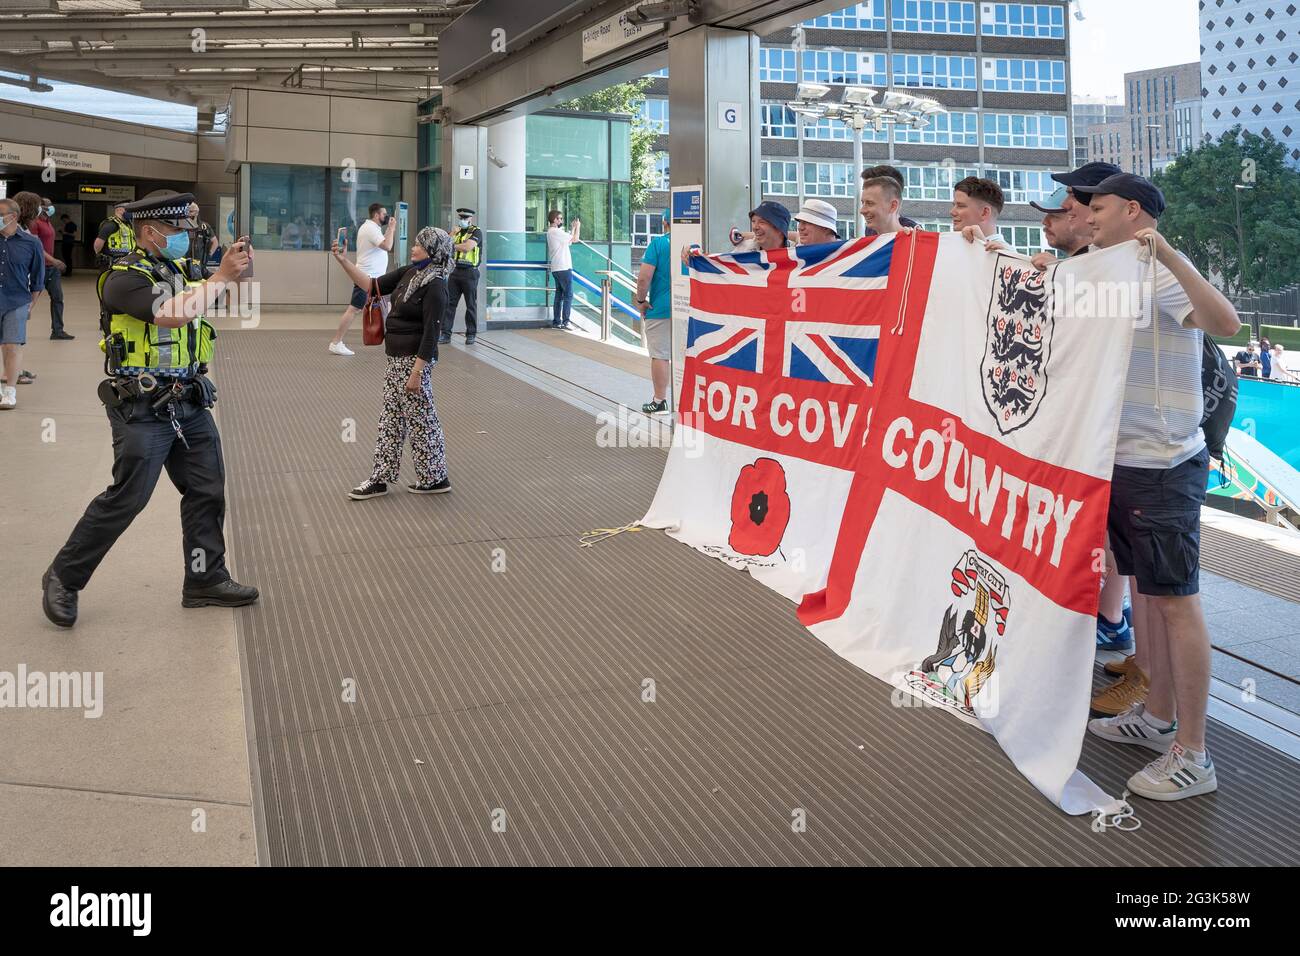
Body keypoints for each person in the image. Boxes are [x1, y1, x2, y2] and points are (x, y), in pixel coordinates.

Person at [1081, 173, 1242, 802]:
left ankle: (1195, 754)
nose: (1085, 216)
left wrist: (1168, 251)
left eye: (1095, 208)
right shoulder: (1102, 270)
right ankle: (1157, 721)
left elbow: (1225, 322)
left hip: (1164, 463)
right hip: (1118, 458)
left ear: (1132, 211)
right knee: (1154, 592)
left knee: (1176, 602)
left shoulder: (1162, 271)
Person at [42, 193, 259, 627]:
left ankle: (204, 578)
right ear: (150, 231)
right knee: (128, 497)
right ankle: (64, 577)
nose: (184, 238)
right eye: (178, 230)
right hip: (141, 406)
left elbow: (210, 303)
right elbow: (168, 316)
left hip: (189, 399)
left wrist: (226, 272)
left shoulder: (178, 269)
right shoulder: (123, 278)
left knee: (206, 490)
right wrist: (220, 278)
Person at [330, 226, 454, 500]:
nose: (413, 247)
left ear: (433, 251)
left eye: (420, 244)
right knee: (398, 419)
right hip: (396, 359)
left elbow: (432, 334)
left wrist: (416, 373)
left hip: (413, 362)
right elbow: (371, 285)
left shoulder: (436, 286)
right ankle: (425, 477)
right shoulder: (409, 274)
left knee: (415, 419)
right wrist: (343, 260)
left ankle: (411, 477)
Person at [329, 202, 396, 356]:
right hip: (367, 277)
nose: (386, 216)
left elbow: (383, 243)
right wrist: (391, 228)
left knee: (388, 305)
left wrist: (388, 230)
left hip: (375, 278)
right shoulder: (371, 229)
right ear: (377, 215)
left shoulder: (373, 229)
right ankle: (336, 342)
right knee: (354, 308)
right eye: (384, 214)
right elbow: (387, 246)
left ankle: (391, 338)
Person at [0, 197, 45, 410]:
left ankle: (9, 391)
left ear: (13, 216)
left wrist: (30, 305)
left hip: (17, 300)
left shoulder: (32, 243)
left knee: (12, 345)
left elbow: (38, 279)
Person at [635, 209, 674, 415]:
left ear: (665, 223)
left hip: (661, 309)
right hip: (692, 307)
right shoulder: (696, 243)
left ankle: (659, 401)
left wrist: (641, 300)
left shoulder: (658, 244)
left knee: (660, 355)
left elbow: (643, 278)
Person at [31, 196, 72, 341]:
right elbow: (36, 246)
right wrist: (53, 260)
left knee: (58, 298)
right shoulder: (35, 223)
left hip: (51, 269)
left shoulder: (48, 222)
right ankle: (15, 326)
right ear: (41, 206)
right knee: (29, 300)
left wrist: (53, 263)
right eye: (48, 205)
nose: (51, 207)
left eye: (51, 204)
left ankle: (58, 331)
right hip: (38, 267)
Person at [443, 207, 483, 345]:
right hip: (455, 271)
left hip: (470, 272)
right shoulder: (457, 232)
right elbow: (443, 245)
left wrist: (452, 244)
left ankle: (471, 334)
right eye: (461, 218)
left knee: (470, 305)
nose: (463, 220)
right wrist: (452, 234)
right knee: (449, 304)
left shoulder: (476, 231)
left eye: (465, 218)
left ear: (470, 219)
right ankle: (445, 334)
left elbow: (468, 247)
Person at [859, 165, 919, 236]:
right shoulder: (871, 228)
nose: (862, 211)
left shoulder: (913, 233)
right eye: (865, 186)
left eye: (870, 203)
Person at [545, 210, 581, 329]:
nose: (561, 220)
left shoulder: (553, 232)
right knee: (568, 295)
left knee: (559, 295)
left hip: (557, 267)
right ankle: (566, 321)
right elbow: (575, 239)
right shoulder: (555, 232)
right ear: (554, 220)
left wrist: (572, 228)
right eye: (560, 218)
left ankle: (557, 322)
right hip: (563, 267)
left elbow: (569, 241)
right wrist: (578, 227)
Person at [188, 202, 219, 267]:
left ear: (197, 213)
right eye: (187, 211)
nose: (188, 214)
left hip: (199, 263)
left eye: (191, 211)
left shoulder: (204, 227)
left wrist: (208, 255)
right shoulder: (181, 226)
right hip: (183, 262)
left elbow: (215, 242)